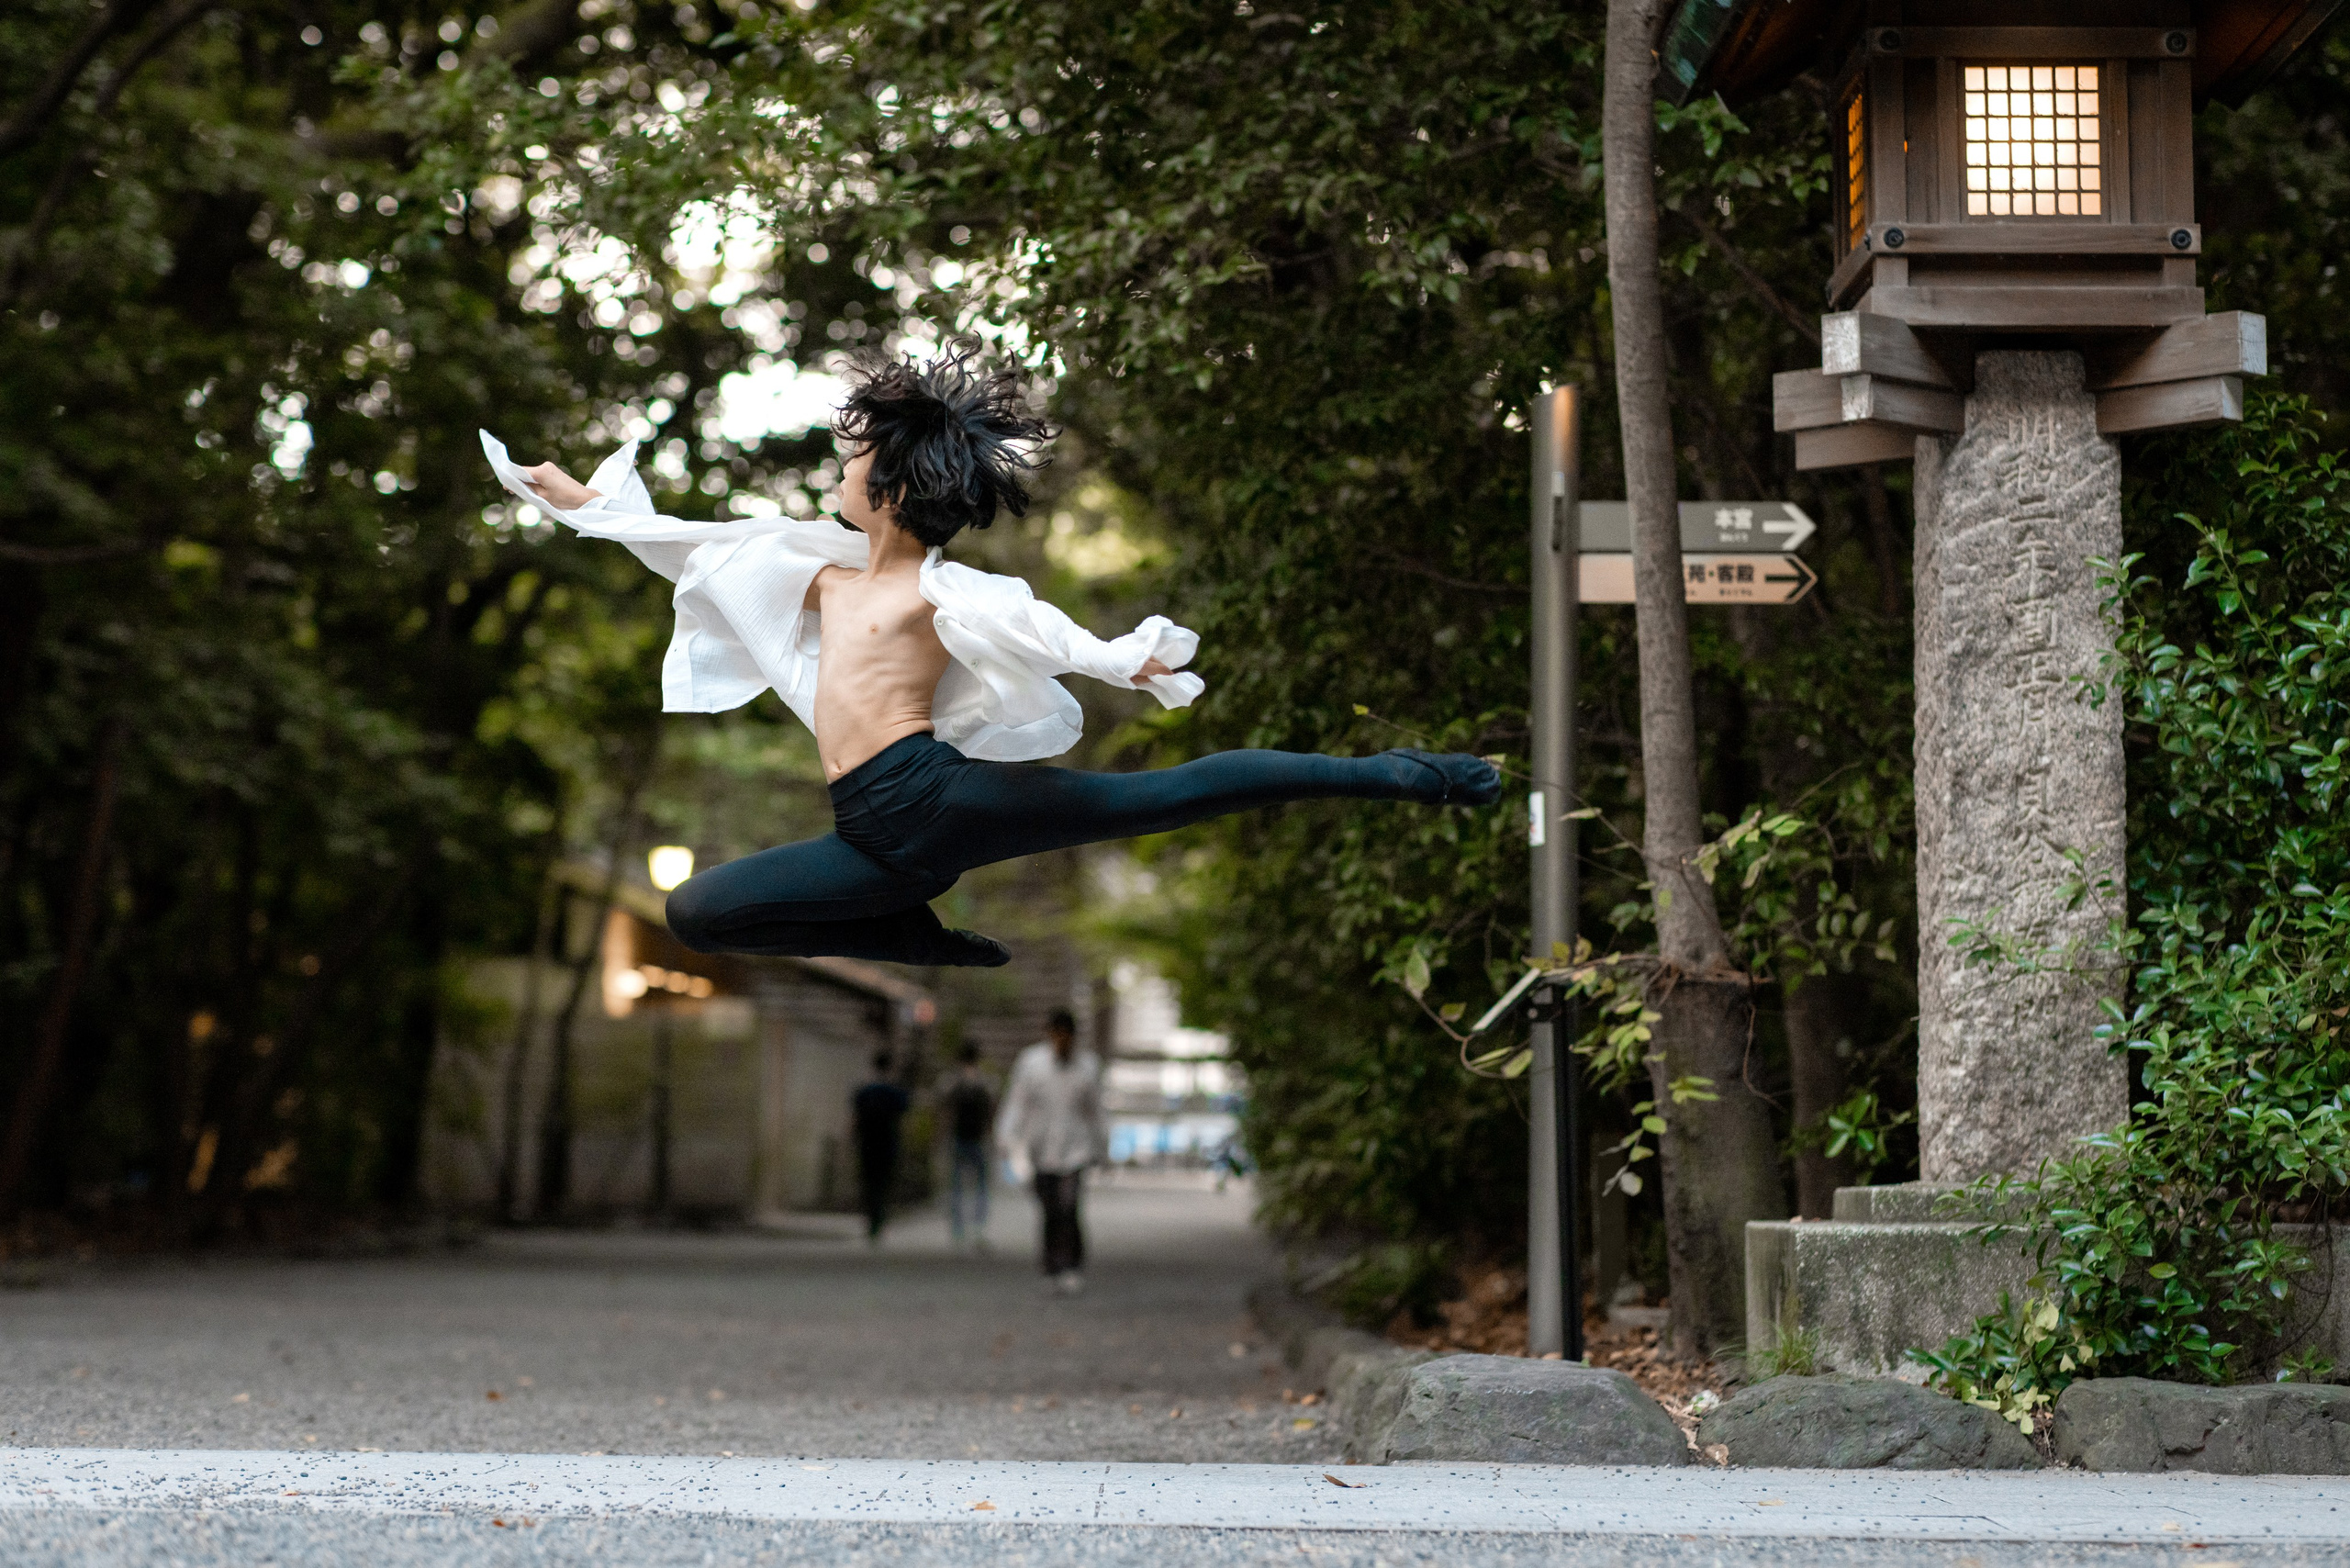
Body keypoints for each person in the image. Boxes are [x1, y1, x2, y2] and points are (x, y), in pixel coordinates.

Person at [481, 343, 1500, 969]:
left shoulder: (935, 588)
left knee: (1167, 795)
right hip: (870, 837)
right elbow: (694, 544)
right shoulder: (821, 571)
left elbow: (1028, 622)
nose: (837, 470)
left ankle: (1425, 779)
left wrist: (1117, 658)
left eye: (851, 459)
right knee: (698, 913)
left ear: (888, 485)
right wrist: (578, 501)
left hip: (939, 800)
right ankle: (918, 937)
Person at [995, 1009, 1106, 1294]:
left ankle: (1071, 1265)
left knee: (1069, 1207)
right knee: (1049, 1209)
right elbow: (1017, 1102)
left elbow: (1096, 1112)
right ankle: (1051, 1264)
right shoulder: (1032, 1063)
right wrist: (1007, 1136)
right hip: (1041, 1147)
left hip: (1076, 1149)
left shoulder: (1088, 1067)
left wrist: (1102, 1148)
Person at [849, 1050, 910, 1244]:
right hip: (887, 1143)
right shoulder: (895, 1092)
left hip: (867, 1143)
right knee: (883, 1183)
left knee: (868, 1183)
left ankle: (871, 1221)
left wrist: (850, 1139)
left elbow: (854, 1119)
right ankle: (880, 1221)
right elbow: (903, 1118)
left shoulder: (864, 1091)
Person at [940, 1042, 996, 1249]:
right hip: (978, 1138)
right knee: (980, 1185)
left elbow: (947, 1111)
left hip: (959, 1137)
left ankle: (958, 1228)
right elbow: (991, 1111)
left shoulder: (952, 1081)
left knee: (957, 1185)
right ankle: (979, 1226)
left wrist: (942, 1136)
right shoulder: (985, 1082)